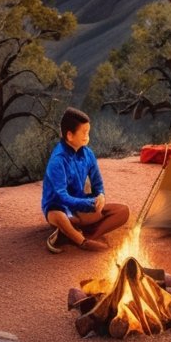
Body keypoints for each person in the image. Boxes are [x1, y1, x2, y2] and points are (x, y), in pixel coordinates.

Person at [42, 107, 130, 253]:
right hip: (61, 208)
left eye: (88, 132)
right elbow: (61, 196)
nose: (87, 136)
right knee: (58, 216)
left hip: (81, 207)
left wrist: (100, 196)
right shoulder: (58, 160)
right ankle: (81, 241)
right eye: (84, 133)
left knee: (122, 211)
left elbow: (97, 183)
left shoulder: (88, 154)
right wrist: (88, 204)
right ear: (70, 135)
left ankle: (85, 235)